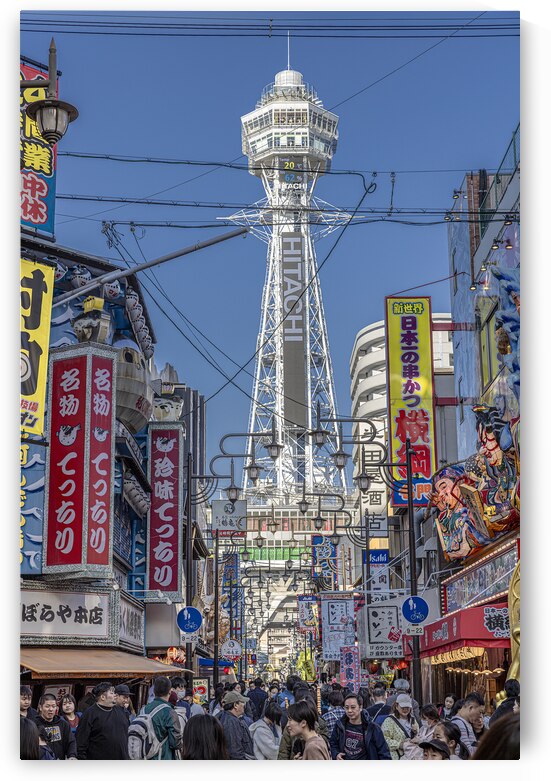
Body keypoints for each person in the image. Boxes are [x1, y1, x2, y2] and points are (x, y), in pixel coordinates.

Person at [76, 682, 130, 760]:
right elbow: (81, 743)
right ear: (103, 697)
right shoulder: (90, 714)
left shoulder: (121, 711)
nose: (115, 695)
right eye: (112, 693)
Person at [330, 693, 391, 761]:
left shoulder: (372, 728)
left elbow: (384, 753)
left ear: (360, 707)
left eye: (353, 707)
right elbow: (333, 743)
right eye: (346, 707)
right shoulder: (339, 725)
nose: (349, 710)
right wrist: (336, 754)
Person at [142, 676, 183, 760]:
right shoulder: (169, 712)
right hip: (163, 756)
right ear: (169, 692)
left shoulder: (143, 710)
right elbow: (175, 742)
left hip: (144, 757)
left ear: (154, 691)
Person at [34, 693, 77, 760]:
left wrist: (72, 755)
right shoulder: (34, 724)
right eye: (47, 706)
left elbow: (71, 741)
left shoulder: (63, 724)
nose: (51, 709)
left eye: (53, 706)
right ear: (40, 707)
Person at [217, 690, 256, 760]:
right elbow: (234, 751)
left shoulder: (226, 717)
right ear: (235, 705)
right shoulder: (231, 722)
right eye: (242, 702)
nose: (244, 705)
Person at [381, 693, 419, 760]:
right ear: (396, 706)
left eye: (407, 707)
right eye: (402, 707)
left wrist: (415, 733)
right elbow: (384, 740)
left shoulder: (413, 719)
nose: (405, 709)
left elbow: (419, 736)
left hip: (412, 757)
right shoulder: (389, 721)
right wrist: (400, 745)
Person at [450, 691, 485, 756]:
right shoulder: (459, 724)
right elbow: (468, 752)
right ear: (471, 708)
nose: (480, 716)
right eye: (480, 712)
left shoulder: (465, 723)